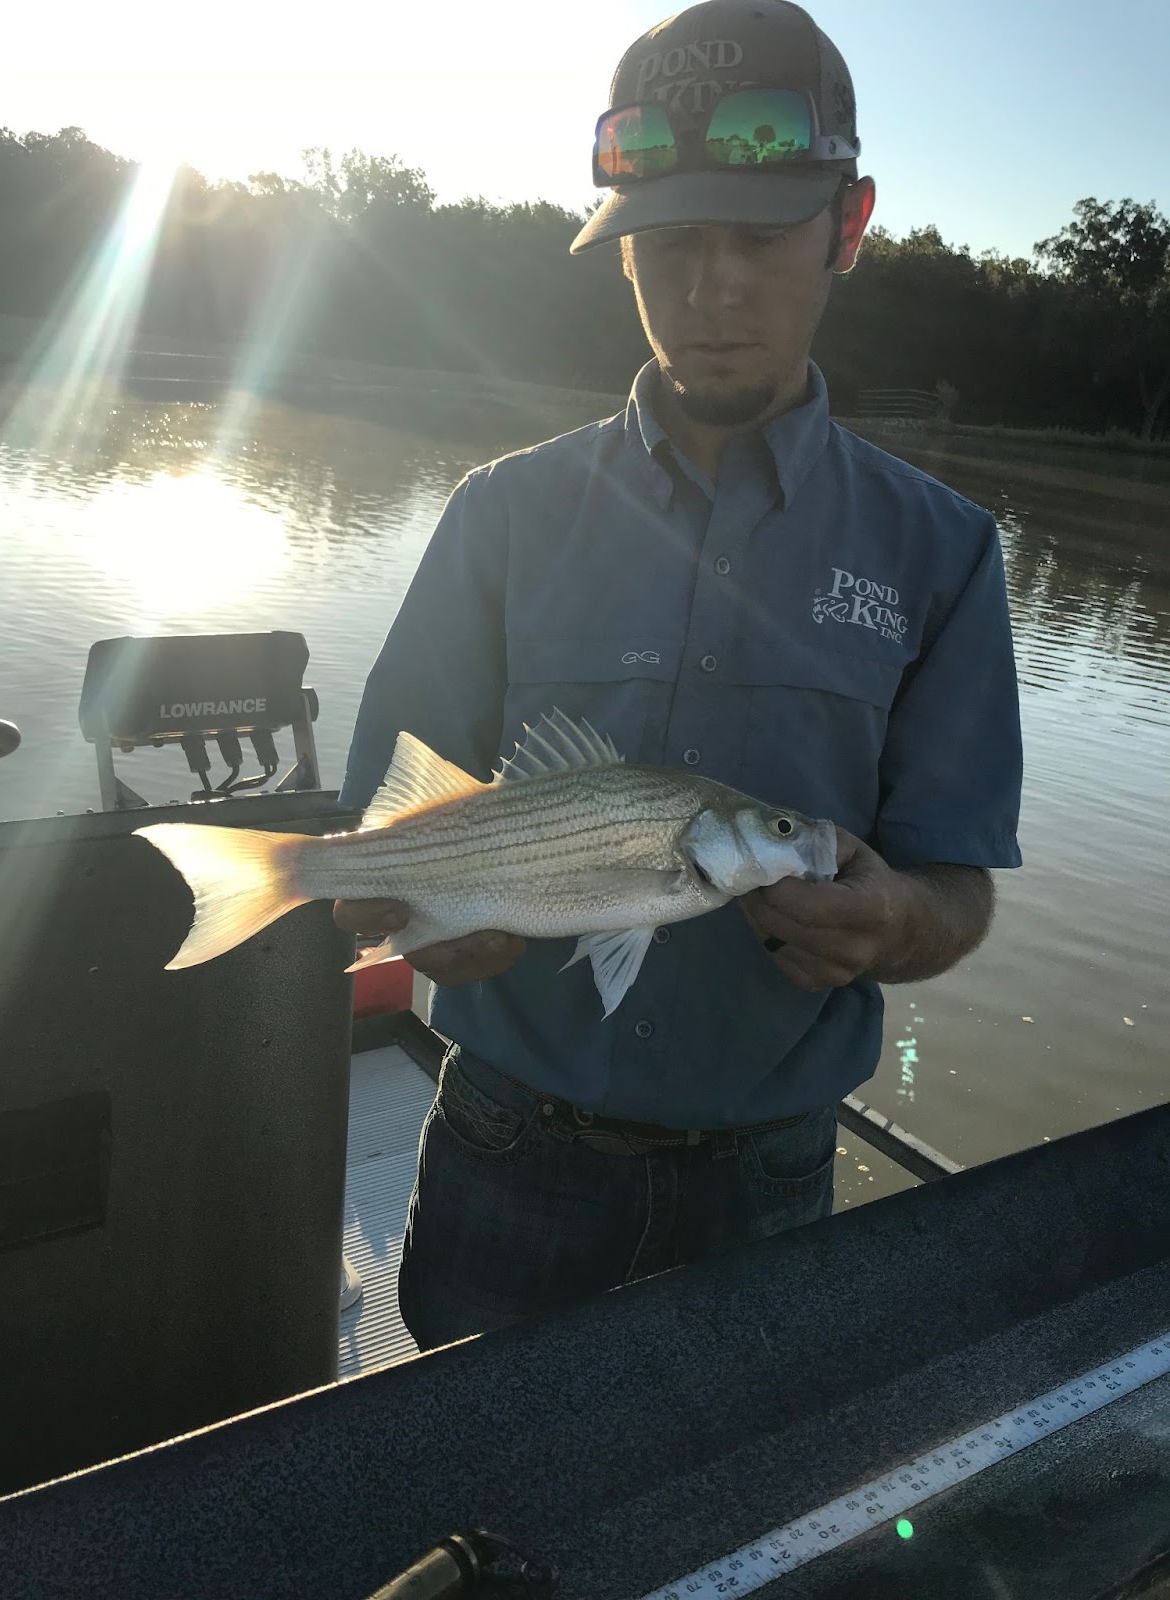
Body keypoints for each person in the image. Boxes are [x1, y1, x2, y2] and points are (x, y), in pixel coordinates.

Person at [334, 0, 1023, 1352]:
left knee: (721, 1513)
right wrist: (395, 906)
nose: (712, 290)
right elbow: (377, 844)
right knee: (466, 1505)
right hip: (507, 1149)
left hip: (767, 1174)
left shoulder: (943, 554)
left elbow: (955, 891)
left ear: (850, 224)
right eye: (666, 244)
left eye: (760, 240)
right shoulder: (501, 513)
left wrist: (900, 928)